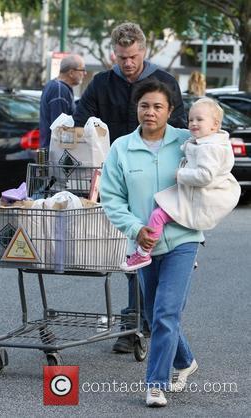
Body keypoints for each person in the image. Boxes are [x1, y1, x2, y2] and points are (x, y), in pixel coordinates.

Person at [74, 21, 187, 354]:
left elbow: (178, 127)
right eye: (122, 57)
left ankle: (140, 321)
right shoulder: (100, 84)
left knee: (148, 250)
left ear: (144, 51)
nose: (127, 63)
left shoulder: (164, 83)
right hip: (114, 174)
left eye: (133, 56)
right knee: (131, 250)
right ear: (114, 53)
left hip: (154, 178)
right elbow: (83, 121)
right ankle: (141, 320)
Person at [100, 79, 204, 407]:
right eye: (145, 105)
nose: (150, 112)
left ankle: (155, 385)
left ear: (170, 110)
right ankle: (185, 360)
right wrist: (135, 228)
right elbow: (112, 197)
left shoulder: (187, 142)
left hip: (183, 239)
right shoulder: (121, 148)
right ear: (137, 108)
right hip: (143, 245)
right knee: (154, 315)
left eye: (158, 106)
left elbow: (217, 157)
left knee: (166, 310)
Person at [122, 97, 241, 271]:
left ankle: (144, 253)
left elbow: (205, 176)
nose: (193, 123)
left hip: (198, 197)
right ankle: (185, 256)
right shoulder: (209, 142)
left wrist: (181, 174)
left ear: (215, 125)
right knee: (166, 209)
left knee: (157, 215)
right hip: (196, 196)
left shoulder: (209, 147)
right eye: (190, 119)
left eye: (199, 120)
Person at [39, 54, 86, 148]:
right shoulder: (59, 90)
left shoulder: (55, 86)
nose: (85, 73)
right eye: (82, 70)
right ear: (71, 73)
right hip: (54, 155)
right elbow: (60, 129)